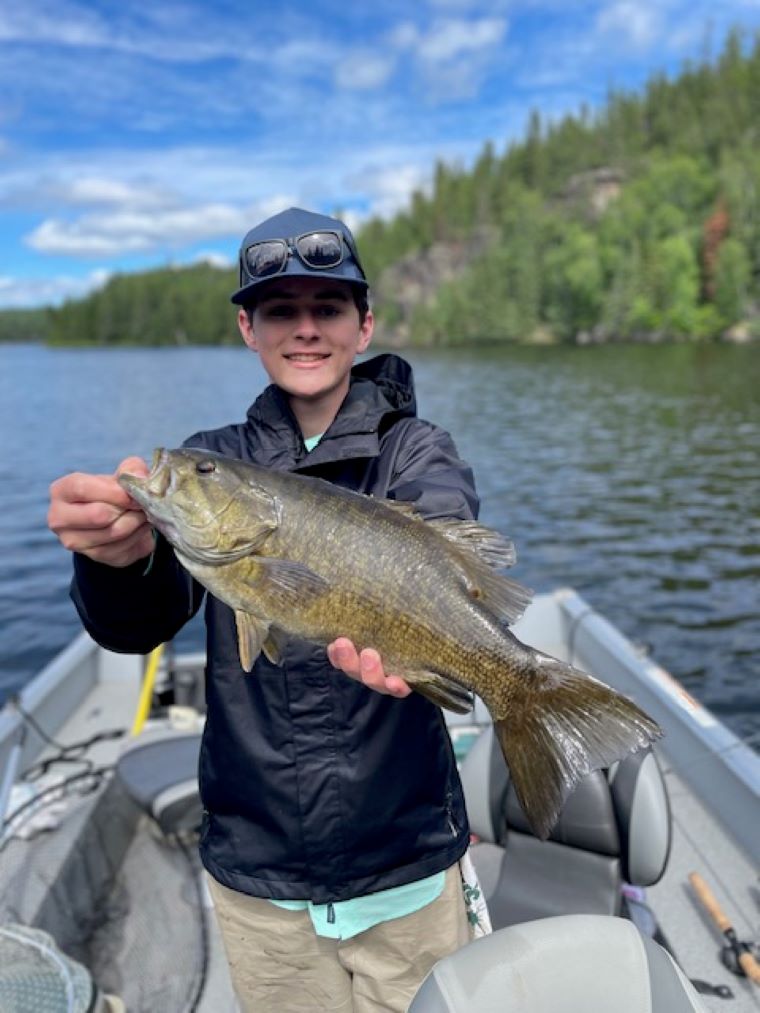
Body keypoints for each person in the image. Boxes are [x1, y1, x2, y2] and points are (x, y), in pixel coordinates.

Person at [48, 207, 487, 1012]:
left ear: (366, 323)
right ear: (249, 328)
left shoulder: (417, 451)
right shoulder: (214, 457)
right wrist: (115, 562)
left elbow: (446, 529)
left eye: (329, 307)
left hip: (409, 864)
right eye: (282, 310)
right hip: (261, 876)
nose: (307, 328)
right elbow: (136, 623)